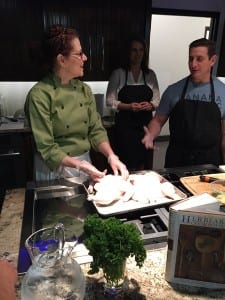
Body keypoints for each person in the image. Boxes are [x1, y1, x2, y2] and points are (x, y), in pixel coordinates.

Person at [25, 25, 128, 183]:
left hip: (85, 165)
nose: (85, 58)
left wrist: (111, 156)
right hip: (53, 170)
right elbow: (47, 147)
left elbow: (96, 131)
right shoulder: (40, 95)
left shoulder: (84, 90)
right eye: (79, 54)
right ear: (62, 60)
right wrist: (79, 165)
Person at [142, 38, 225, 168]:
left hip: (209, 163)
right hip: (177, 160)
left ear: (212, 60)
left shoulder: (223, 91)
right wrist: (151, 135)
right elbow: (158, 120)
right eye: (191, 58)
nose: (193, 64)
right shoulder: (173, 90)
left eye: (199, 59)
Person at [106, 36, 160, 171]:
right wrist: (128, 107)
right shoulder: (118, 74)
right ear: (128, 53)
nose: (138, 54)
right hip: (125, 128)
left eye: (141, 50)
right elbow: (109, 101)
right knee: (126, 162)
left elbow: (157, 100)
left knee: (143, 164)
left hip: (145, 128)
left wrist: (151, 105)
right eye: (134, 50)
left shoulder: (150, 74)